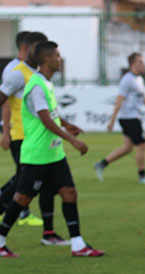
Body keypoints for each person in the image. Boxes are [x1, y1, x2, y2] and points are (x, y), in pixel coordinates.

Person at [0, 42, 103, 258]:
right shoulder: (37, 85)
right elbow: (45, 120)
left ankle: (78, 245)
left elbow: (50, 113)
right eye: (57, 55)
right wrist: (72, 140)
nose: (60, 59)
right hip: (37, 155)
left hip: (54, 154)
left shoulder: (45, 83)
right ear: (47, 60)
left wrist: (66, 124)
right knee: (22, 199)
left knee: (69, 193)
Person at [0, 31, 58, 235]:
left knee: (38, 182)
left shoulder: (36, 73)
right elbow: (5, 102)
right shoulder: (14, 71)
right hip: (21, 135)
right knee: (23, 181)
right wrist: (5, 131)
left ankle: (48, 232)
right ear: (28, 47)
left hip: (36, 136)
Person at [94, 52, 145, 184]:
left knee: (128, 147)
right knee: (142, 145)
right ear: (133, 64)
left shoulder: (139, 79)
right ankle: (142, 176)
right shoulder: (127, 80)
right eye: (140, 62)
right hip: (129, 118)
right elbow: (119, 101)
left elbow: (142, 98)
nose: (144, 65)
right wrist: (112, 121)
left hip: (132, 117)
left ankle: (102, 164)